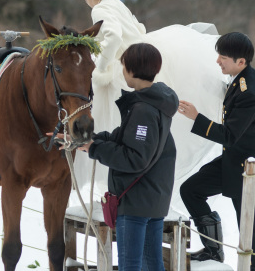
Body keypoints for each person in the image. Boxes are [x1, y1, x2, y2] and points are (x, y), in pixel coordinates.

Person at [75, 0, 226, 212]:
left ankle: (114, 183)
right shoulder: (115, 2)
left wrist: (100, 68)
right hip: (141, 54)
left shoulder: (99, 9)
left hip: (124, 67)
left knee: (117, 121)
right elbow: (139, 27)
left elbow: (113, 37)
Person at [178, 32, 255, 271]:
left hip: (251, 171)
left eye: (223, 57)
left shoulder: (249, 91)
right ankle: (213, 248)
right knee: (191, 189)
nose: (218, 61)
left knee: (253, 232)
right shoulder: (241, 79)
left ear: (240, 62)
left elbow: (230, 135)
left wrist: (196, 118)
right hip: (234, 163)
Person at [75, 43, 178, 271]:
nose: (122, 71)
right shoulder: (156, 102)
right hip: (152, 197)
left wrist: (94, 149)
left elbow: (135, 157)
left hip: (135, 200)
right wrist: (91, 141)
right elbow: (125, 137)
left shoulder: (143, 109)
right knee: (152, 264)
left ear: (131, 69)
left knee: (130, 265)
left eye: (123, 66)